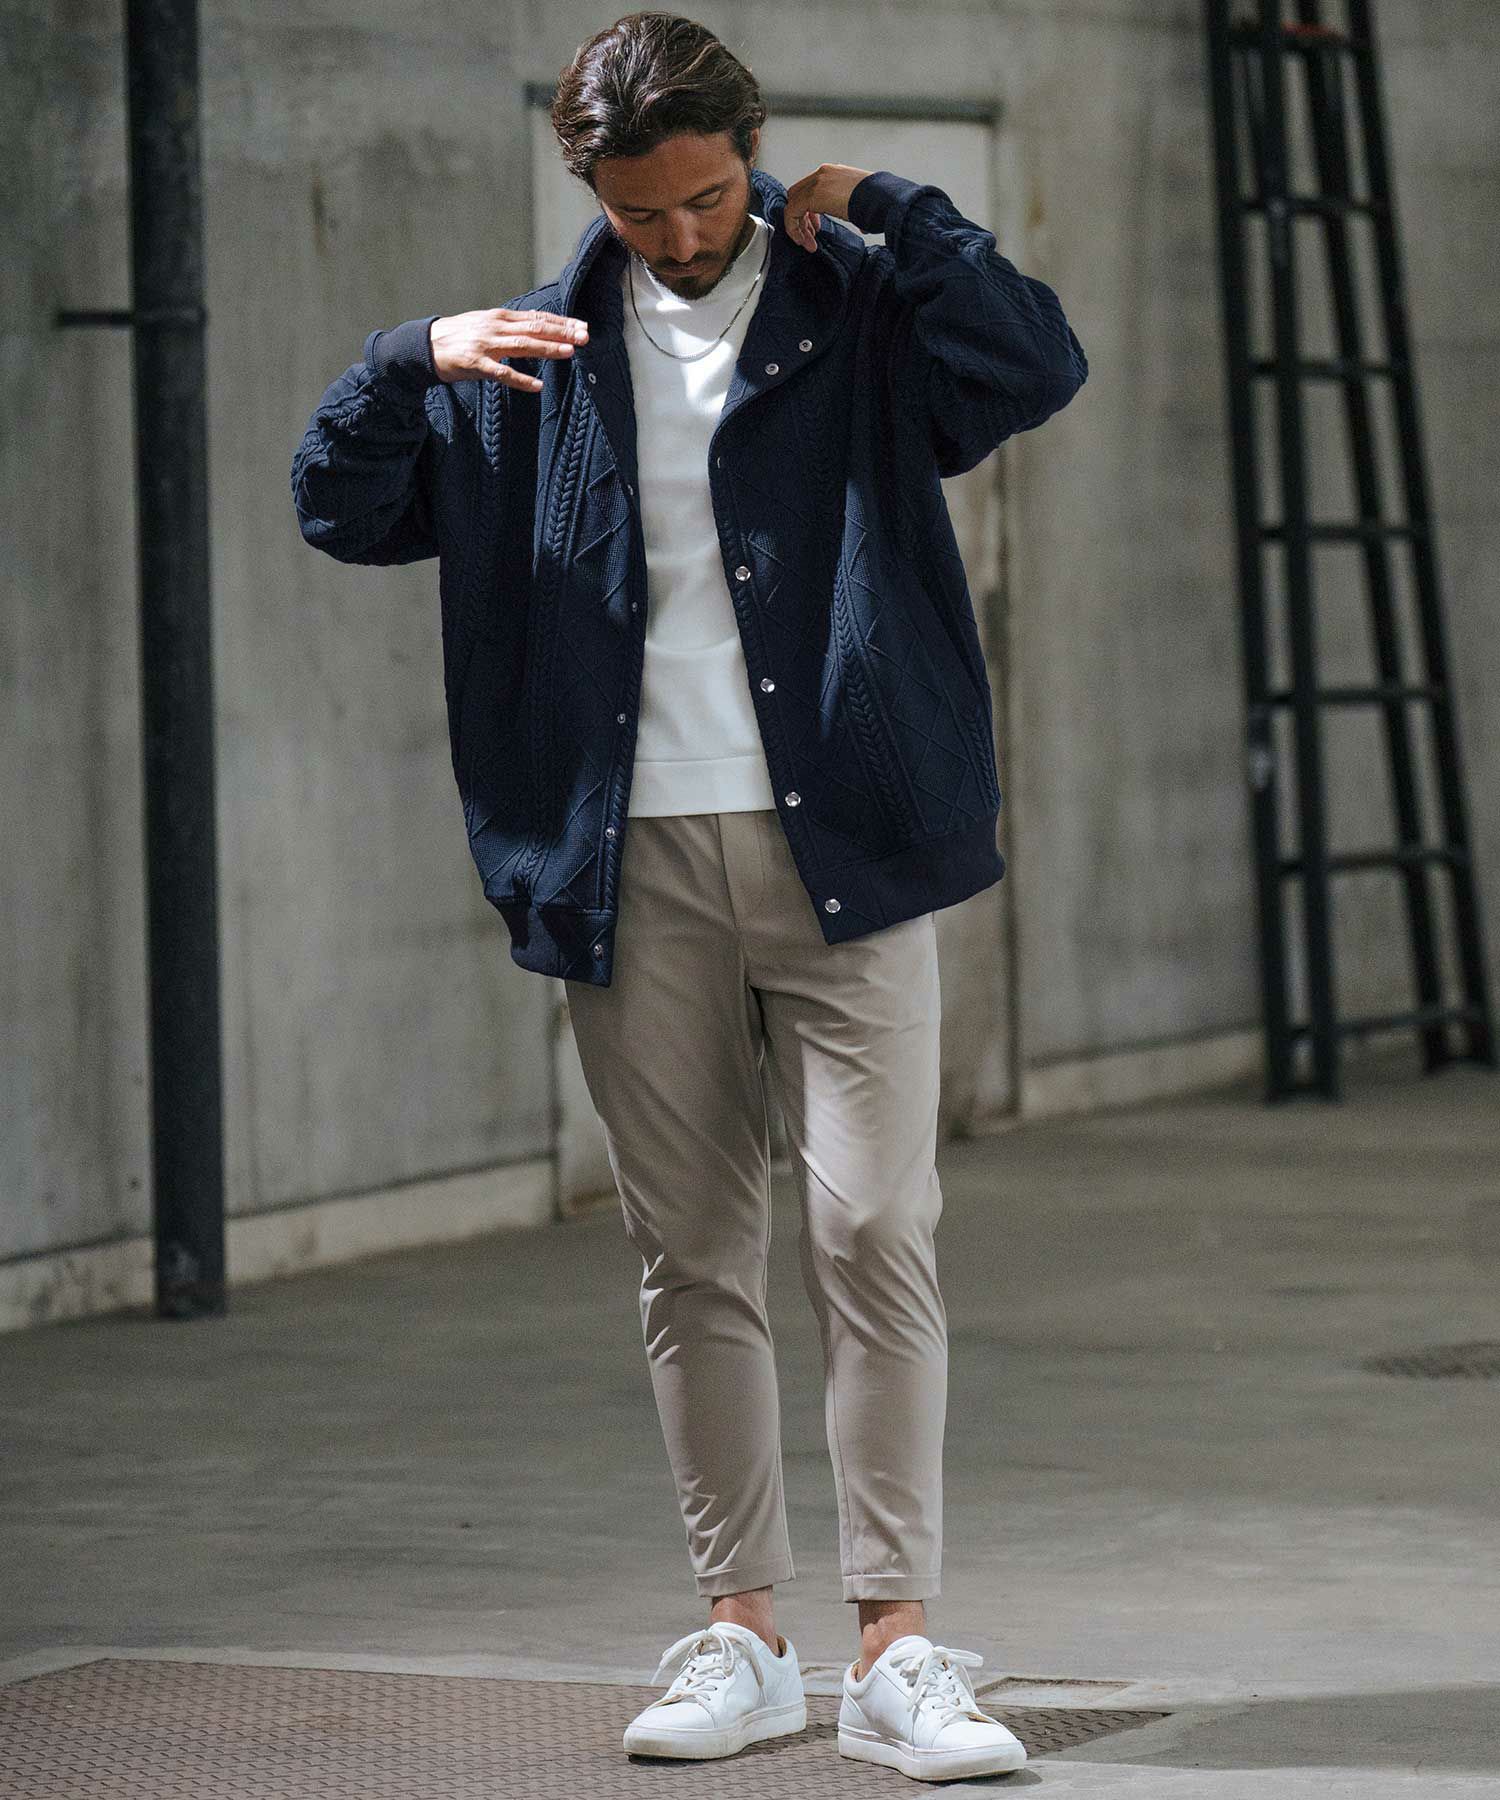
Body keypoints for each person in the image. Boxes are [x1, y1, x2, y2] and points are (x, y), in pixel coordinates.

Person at [291, 9, 1086, 1780]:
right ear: (590, 186)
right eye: (641, 211)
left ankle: (898, 1648)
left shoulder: (859, 319)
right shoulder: (526, 365)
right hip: (627, 859)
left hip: (846, 845)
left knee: (873, 1228)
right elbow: (337, 505)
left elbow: (1036, 361)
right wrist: (409, 357)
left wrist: (895, 206)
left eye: (711, 199)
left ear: (753, 155)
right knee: (693, 1252)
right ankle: (746, 1640)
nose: (682, 235)